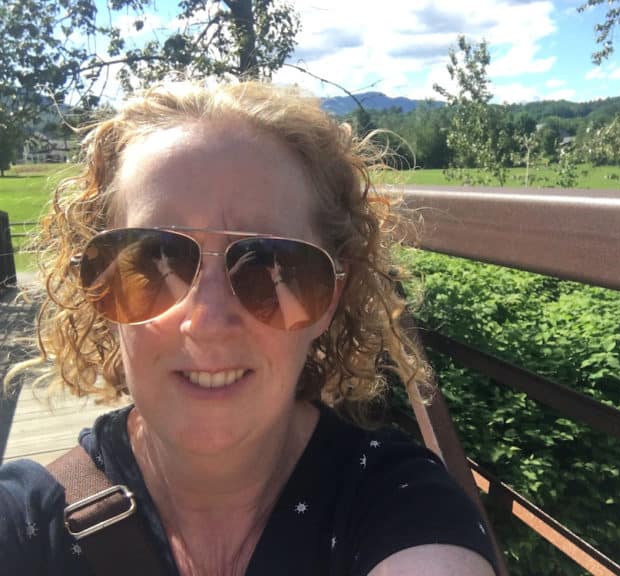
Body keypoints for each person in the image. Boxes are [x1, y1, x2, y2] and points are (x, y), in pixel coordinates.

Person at [0, 80, 498, 576]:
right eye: (154, 261)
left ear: (330, 297)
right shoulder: (24, 521)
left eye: (269, 267)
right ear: (100, 287)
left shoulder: (399, 503)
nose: (209, 322)